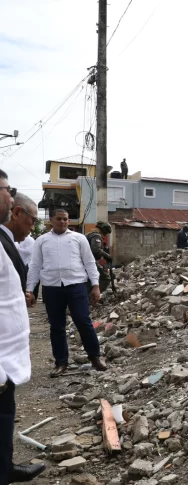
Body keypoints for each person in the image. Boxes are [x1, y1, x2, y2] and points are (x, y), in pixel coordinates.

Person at [0, 171, 46, 484]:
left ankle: (4, 466)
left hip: (7, 361)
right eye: (6, 190)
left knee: (4, 419)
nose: (10, 195)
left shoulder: (5, 239)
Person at [26, 209, 107, 377]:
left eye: (65, 219)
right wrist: (30, 290)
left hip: (76, 286)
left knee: (83, 321)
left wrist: (95, 285)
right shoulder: (41, 241)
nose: (62, 222)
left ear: (69, 221)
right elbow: (34, 266)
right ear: (51, 220)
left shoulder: (79, 239)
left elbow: (90, 262)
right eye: (59, 219)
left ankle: (95, 357)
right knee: (57, 326)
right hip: (51, 288)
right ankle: (61, 363)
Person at [1, 193, 38, 298]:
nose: (32, 228)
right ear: (16, 213)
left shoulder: (8, 241)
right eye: (33, 220)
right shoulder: (2, 244)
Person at [86, 221, 113, 293]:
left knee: (90, 280)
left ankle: (88, 298)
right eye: (106, 232)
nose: (106, 235)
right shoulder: (96, 236)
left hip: (85, 261)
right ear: (104, 230)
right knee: (105, 278)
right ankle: (92, 297)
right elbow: (96, 249)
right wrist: (107, 256)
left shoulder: (90, 234)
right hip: (88, 261)